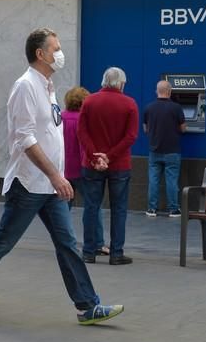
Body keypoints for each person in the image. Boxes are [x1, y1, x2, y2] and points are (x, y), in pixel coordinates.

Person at [0, 27, 124, 325]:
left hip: (48, 183)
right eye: (55, 48)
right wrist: (56, 176)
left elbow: (50, 133)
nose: (60, 53)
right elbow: (25, 139)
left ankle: (87, 305)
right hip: (29, 183)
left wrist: (73, 165)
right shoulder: (25, 86)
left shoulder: (47, 86)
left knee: (67, 244)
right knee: (3, 240)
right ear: (40, 54)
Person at [77, 67, 139, 265]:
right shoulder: (129, 104)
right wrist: (110, 157)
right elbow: (131, 136)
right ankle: (116, 253)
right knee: (118, 209)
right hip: (119, 165)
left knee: (91, 208)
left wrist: (96, 157)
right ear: (121, 83)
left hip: (91, 165)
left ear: (104, 81)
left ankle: (88, 252)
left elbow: (82, 132)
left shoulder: (89, 101)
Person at [143, 80, 186, 218]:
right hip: (172, 150)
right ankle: (173, 210)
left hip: (154, 150)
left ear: (157, 91)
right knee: (172, 181)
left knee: (153, 180)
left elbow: (145, 128)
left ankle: (151, 209)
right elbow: (183, 128)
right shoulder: (176, 108)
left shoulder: (149, 107)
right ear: (169, 91)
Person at [62, 86, 91, 211]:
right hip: (81, 169)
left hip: (62, 169)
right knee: (92, 205)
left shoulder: (59, 117)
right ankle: (94, 231)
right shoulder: (84, 120)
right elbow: (84, 146)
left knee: (63, 207)